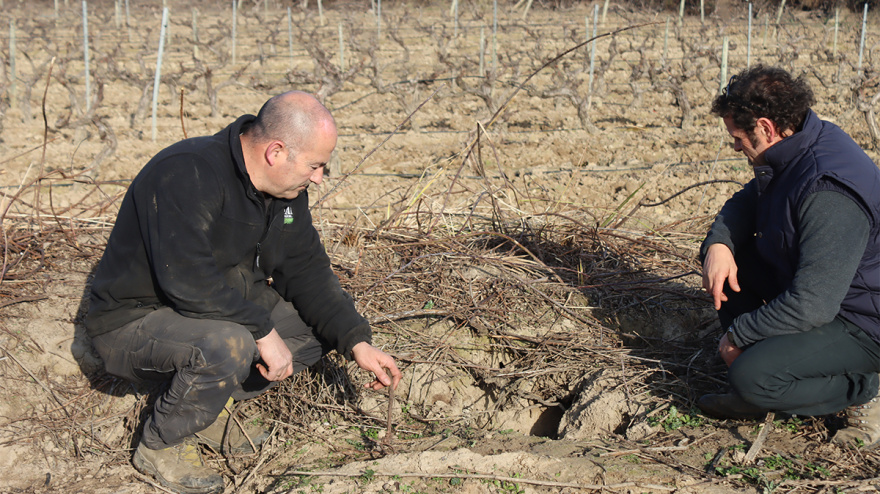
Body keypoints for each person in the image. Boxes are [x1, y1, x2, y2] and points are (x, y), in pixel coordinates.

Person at [84, 91, 402, 494]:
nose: (320, 178)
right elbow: (185, 279)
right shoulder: (187, 173)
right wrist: (262, 332)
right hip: (135, 321)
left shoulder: (286, 197)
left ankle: (206, 409)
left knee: (318, 329)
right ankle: (161, 444)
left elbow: (305, 269)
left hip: (212, 311)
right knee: (230, 343)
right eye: (315, 165)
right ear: (275, 152)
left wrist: (357, 341)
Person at [698, 65, 880, 448]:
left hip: (864, 321)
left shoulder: (826, 190)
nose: (735, 147)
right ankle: (770, 375)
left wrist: (740, 334)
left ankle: (865, 387)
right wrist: (719, 244)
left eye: (737, 137)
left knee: (752, 377)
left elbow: (813, 304)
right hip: (829, 294)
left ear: (765, 128)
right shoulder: (800, 144)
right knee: (733, 267)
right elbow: (748, 201)